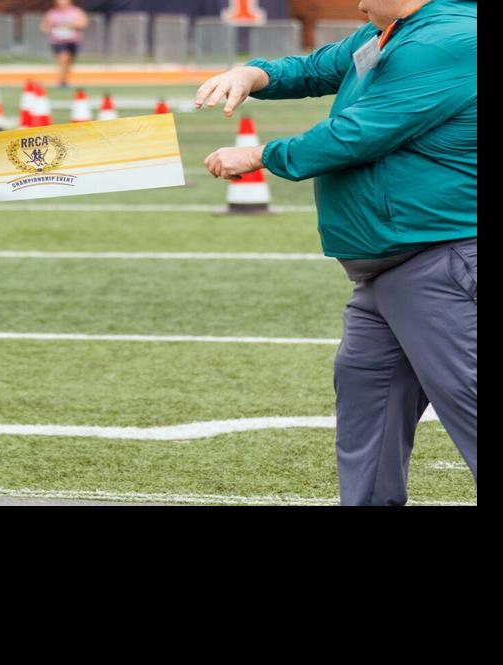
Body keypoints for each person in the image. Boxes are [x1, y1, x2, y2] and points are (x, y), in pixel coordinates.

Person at [198, 0, 476, 505]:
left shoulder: (450, 39)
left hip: (442, 259)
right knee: (367, 407)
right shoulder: (394, 31)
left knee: (469, 406)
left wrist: (261, 154)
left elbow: (359, 134)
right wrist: (253, 73)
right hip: (390, 268)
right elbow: (315, 68)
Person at [43, 0, 87, 88]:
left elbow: (83, 23)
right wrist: (50, 27)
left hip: (73, 41)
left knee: (69, 61)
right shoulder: (52, 13)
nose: (62, 6)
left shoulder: (76, 12)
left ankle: (65, 79)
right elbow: (44, 26)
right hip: (58, 41)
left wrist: (70, 26)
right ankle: (61, 80)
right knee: (63, 57)